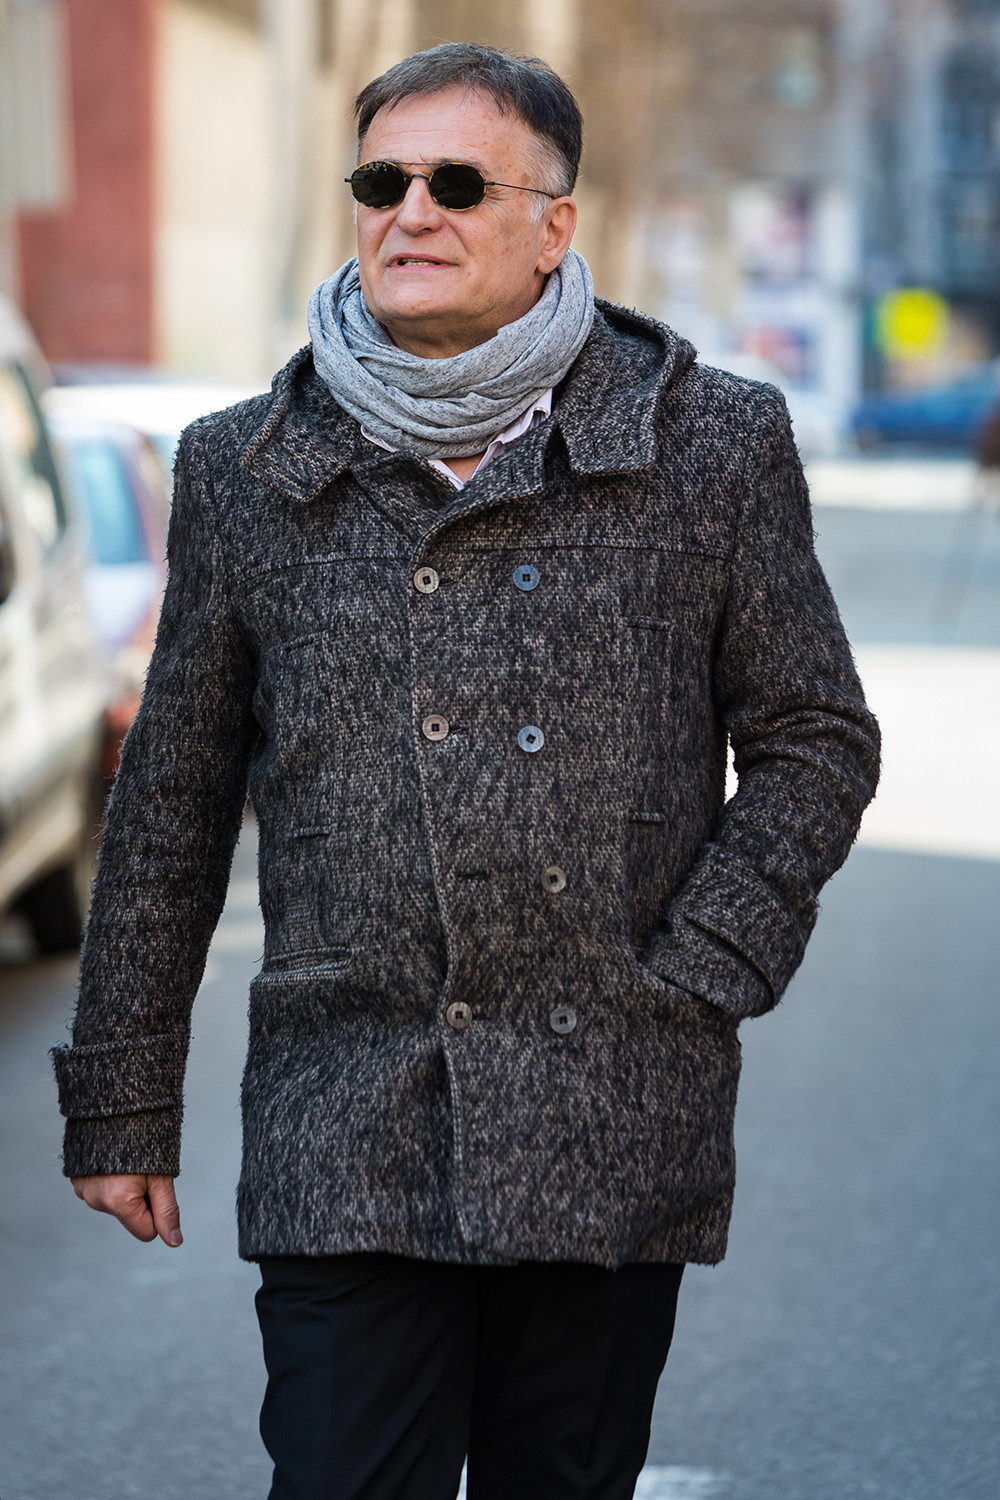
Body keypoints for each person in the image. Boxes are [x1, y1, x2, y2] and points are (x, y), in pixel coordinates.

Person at [52, 42, 881, 1500]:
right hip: (344, 1108)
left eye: (454, 181)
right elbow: (171, 805)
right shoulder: (247, 467)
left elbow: (817, 735)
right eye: (383, 182)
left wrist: (706, 964)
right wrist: (123, 1099)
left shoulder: (709, 443)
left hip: (609, 1098)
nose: (411, 212)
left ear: (555, 224)